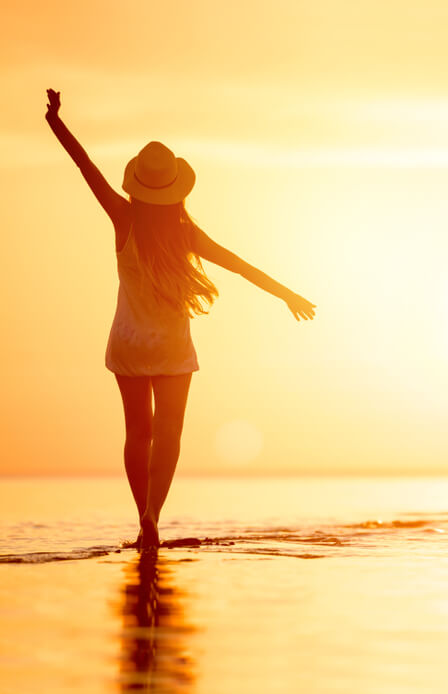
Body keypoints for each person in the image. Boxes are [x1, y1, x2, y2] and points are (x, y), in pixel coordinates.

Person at [44, 88, 316, 549]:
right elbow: (238, 264)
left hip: (129, 342)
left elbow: (86, 167)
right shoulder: (185, 232)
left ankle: (141, 516)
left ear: (138, 183)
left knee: (138, 432)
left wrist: (56, 121)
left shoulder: (123, 218)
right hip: (171, 347)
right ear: (174, 187)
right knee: (168, 433)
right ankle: (153, 514)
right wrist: (286, 294)